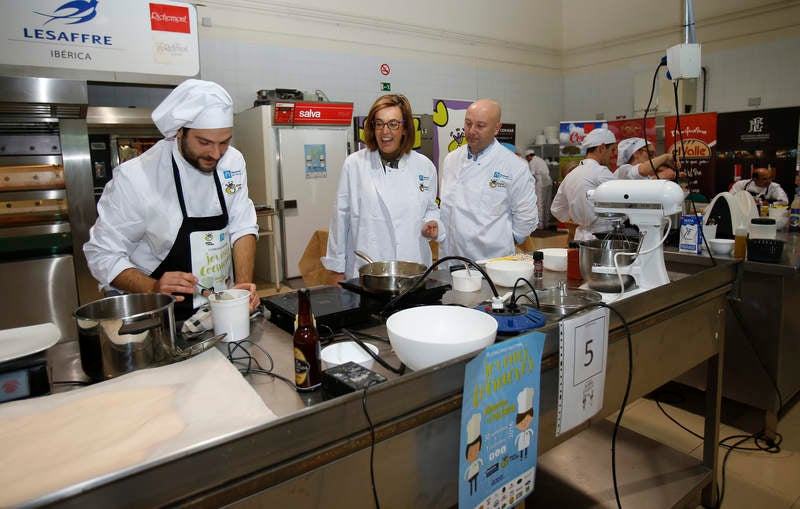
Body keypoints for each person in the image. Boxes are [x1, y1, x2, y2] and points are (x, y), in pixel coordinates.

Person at [84, 79, 259, 320]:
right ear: (179, 132)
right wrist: (152, 288)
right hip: (155, 313)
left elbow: (242, 225)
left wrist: (242, 286)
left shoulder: (233, 161)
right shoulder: (137, 177)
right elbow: (102, 253)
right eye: (204, 142)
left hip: (215, 309)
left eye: (224, 142)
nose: (216, 154)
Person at [321, 94, 442, 282]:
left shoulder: (424, 166)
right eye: (379, 123)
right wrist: (336, 268)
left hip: (413, 264)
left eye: (393, 124)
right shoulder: (355, 164)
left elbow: (431, 208)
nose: (385, 131)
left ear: (405, 128)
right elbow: (340, 217)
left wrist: (431, 223)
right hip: (369, 265)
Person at [439, 99, 537, 262]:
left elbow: (526, 218)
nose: (471, 131)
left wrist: (499, 241)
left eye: (480, 126)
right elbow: (447, 207)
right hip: (452, 258)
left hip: (492, 261)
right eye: (468, 123)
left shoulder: (514, 166)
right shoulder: (451, 160)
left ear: (497, 128)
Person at [550, 128, 617, 241]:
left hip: (580, 237)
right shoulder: (601, 172)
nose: (612, 155)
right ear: (602, 147)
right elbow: (623, 201)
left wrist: (578, 216)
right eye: (612, 150)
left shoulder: (571, 175)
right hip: (603, 237)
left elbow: (557, 209)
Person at [525, 148, 552, 229]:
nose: (527, 160)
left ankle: (540, 225)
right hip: (548, 181)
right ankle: (546, 223)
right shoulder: (541, 160)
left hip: (541, 182)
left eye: (527, 158)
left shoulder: (533, 161)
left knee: (539, 203)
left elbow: (531, 174)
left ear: (529, 156)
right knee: (547, 203)